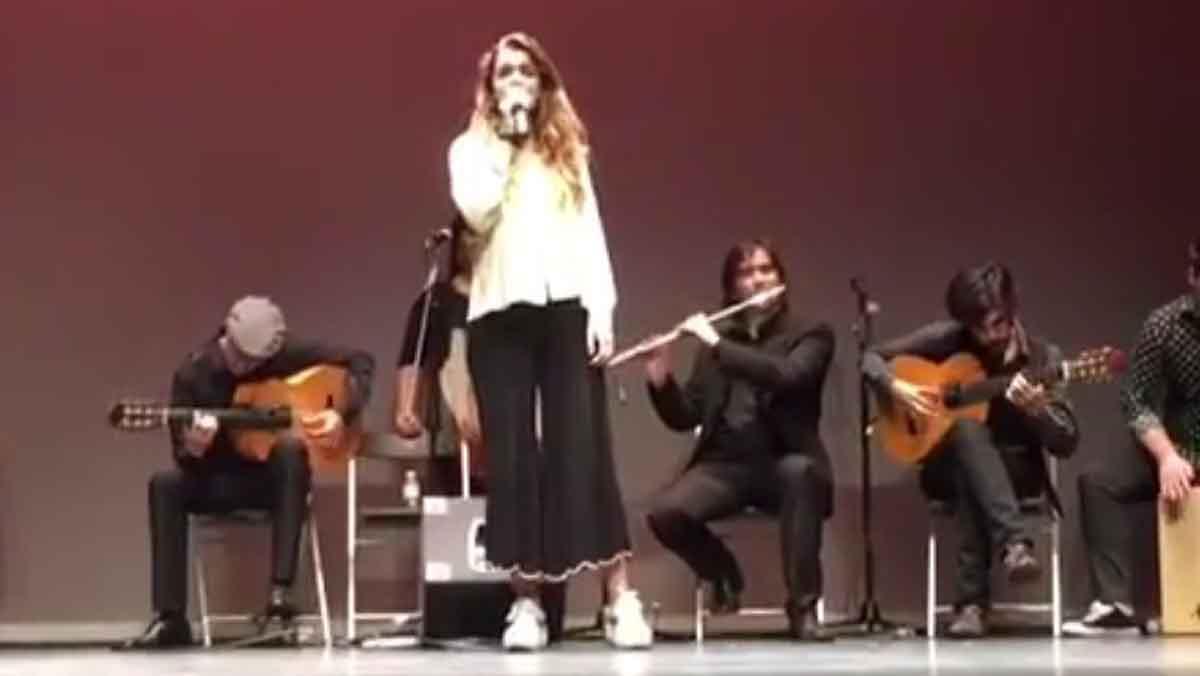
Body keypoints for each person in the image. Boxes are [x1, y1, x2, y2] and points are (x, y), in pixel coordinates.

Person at [447, 31, 651, 650]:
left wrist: (603, 309)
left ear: (543, 84)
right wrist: (505, 143)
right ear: (489, 85)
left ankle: (620, 598)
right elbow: (476, 211)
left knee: (583, 448)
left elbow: (591, 234)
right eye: (505, 72)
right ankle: (527, 605)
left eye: (526, 73)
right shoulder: (468, 149)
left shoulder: (567, 150)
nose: (516, 82)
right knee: (511, 460)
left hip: (566, 307)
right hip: (498, 314)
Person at [120, 295, 374, 649]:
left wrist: (341, 414)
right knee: (165, 484)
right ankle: (171, 618)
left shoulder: (283, 356)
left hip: (275, 483)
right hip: (218, 482)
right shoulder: (194, 374)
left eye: (255, 362)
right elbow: (184, 459)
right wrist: (195, 448)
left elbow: (361, 361)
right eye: (238, 356)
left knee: (289, 450)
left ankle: (280, 598)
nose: (244, 366)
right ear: (226, 335)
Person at [862, 262, 1079, 638]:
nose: (986, 335)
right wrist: (897, 388)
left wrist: (1038, 410)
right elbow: (871, 357)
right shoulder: (952, 338)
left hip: (1017, 472)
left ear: (1013, 311)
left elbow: (1067, 442)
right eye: (976, 327)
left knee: (972, 467)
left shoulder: (1044, 358)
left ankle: (972, 605)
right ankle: (1014, 543)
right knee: (965, 434)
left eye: (995, 323)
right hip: (944, 467)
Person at [642, 238, 836, 641]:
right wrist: (660, 380)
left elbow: (788, 376)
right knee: (665, 513)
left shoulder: (810, 333)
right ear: (732, 288)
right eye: (746, 274)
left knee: (801, 475)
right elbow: (686, 416)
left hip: (783, 461)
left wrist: (717, 345)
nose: (757, 280)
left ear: (780, 279)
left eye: (766, 271)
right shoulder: (719, 340)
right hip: (725, 465)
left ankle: (803, 610)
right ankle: (723, 573)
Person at [1063, 237, 1200, 636]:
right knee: (1099, 482)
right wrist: (1167, 457)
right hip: (1178, 447)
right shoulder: (1166, 325)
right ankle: (1114, 605)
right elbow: (1136, 399)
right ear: (1193, 276)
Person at [394, 214, 486, 495]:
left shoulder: (508, 302)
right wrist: (405, 408)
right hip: (450, 432)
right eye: (470, 237)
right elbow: (413, 359)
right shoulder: (436, 301)